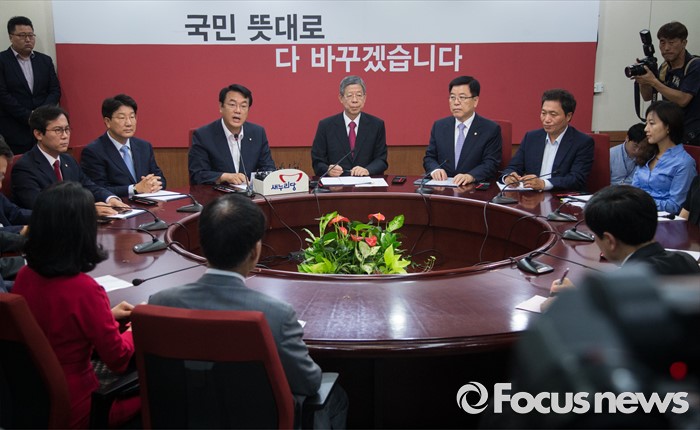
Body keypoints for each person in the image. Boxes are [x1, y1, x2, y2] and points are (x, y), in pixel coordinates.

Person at [149, 193, 347, 428]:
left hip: (186, 421)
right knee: (336, 397)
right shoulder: (276, 315)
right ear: (255, 252)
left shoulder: (159, 304)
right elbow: (310, 383)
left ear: (202, 245)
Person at [12, 181, 139, 428]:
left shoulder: (25, 276)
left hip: (35, 400)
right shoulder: (85, 289)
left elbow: (53, 324)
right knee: (162, 389)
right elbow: (119, 359)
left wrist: (106, 314)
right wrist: (135, 329)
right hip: (85, 406)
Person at [544, 185, 700, 310]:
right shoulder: (686, 260)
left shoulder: (617, 286)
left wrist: (562, 305)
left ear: (610, 241)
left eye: (595, 236)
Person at [11, 105, 129, 215]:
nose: (65, 136)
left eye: (67, 129)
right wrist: (87, 209)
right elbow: (40, 207)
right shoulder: (25, 167)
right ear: (38, 134)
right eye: (58, 130)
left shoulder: (68, 160)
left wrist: (109, 198)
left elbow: (89, 186)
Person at [502, 89, 594, 191]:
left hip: (561, 196)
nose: (546, 119)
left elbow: (577, 178)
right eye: (543, 113)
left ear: (568, 116)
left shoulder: (582, 142)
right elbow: (513, 167)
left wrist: (544, 184)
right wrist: (508, 177)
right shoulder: (531, 138)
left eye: (553, 114)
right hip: (531, 197)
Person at [81, 94, 165, 197]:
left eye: (132, 117)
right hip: (117, 205)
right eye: (122, 118)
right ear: (107, 122)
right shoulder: (94, 151)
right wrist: (134, 189)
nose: (129, 123)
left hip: (148, 203)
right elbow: (98, 189)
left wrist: (155, 184)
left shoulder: (144, 147)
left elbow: (160, 178)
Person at [188, 84, 275, 185]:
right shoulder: (203, 135)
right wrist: (224, 177)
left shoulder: (258, 133)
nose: (238, 111)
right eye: (232, 105)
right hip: (217, 194)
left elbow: (268, 168)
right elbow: (197, 175)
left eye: (243, 106)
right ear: (221, 107)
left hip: (250, 194)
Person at [423, 76, 501, 186]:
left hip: (473, 188)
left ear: (475, 101)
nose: (456, 102)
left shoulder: (490, 129)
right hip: (442, 187)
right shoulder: (439, 126)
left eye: (462, 97)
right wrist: (435, 170)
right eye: (452, 97)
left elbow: (491, 163)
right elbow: (429, 157)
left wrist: (471, 176)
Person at [0, 16, 61, 154]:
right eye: (22, 35)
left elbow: (55, 90)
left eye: (31, 35)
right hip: (14, 128)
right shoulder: (2, 60)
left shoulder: (45, 60)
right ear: (11, 37)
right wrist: (28, 116)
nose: (28, 39)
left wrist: (41, 114)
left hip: (44, 127)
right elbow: (2, 95)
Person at [633, 21, 700, 146]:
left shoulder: (694, 65)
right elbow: (647, 96)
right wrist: (643, 80)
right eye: (662, 42)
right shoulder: (665, 67)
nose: (666, 48)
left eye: (672, 42)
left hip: (693, 136)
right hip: (672, 132)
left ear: (684, 43)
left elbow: (683, 100)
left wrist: (653, 81)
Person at [311, 75, 388, 177]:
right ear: (341, 98)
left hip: (366, 182)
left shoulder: (376, 125)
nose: (355, 100)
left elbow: (381, 160)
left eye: (359, 95)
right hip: (336, 183)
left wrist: (367, 170)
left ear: (365, 98)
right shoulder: (326, 126)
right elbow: (317, 161)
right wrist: (328, 170)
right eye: (350, 95)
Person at [632, 100, 696, 215]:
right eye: (646, 123)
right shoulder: (646, 153)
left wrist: (641, 202)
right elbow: (634, 190)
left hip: (664, 220)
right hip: (638, 212)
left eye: (651, 123)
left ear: (668, 127)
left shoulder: (683, 162)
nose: (646, 129)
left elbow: (675, 206)